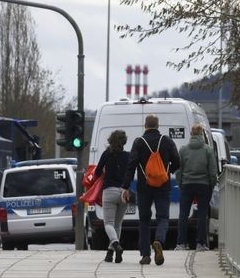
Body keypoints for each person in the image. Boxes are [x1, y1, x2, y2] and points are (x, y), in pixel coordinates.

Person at [123, 114, 180, 265]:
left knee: (144, 220)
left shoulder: (139, 142)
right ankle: (159, 241)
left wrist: (126, 186)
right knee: (163, 217)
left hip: (144, 186)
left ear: (145, 125)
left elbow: (131, 164)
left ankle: (145, 255)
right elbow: (177, 161)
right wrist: (167, 171)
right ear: (158, 125)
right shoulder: (166, 141)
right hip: (163, 185)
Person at [90, 129, 131, 264]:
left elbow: (96, 173)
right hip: (124, 193)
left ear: (111, 140)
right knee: (118, 224)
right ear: (124, 142)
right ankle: (111, 254)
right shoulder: (128, 156)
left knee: (108, 223)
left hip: (109, 191)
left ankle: (115, 244)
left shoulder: (107, 154)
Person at [176, 124, 216, 251]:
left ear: (191, 134)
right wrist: (211, 184)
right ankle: (200, 243)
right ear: (201, 135)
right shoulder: (208, 150)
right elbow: (212, 171)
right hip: (204, 185)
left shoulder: (183, 150)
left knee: (183, 214)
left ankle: (181, 243)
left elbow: (178, 170)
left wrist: (181, 183)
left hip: (187, 184)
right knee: (202, 214)